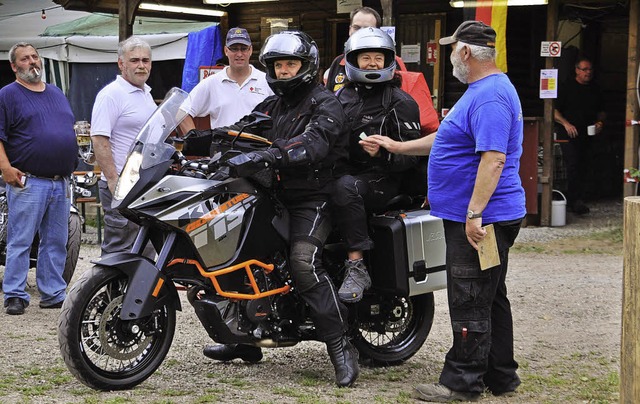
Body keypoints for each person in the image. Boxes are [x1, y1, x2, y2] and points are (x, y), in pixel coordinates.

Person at [366, 20, 526, 401]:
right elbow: (449, 138)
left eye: (453, 48)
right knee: (490, 294)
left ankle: (462, 382)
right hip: (484, 214)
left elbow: (494, 159)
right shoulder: (482, 91)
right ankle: (501, 376)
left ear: (466, 52)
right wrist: (398, 146)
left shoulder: (488, 97)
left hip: (482, 218)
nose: (452, 55)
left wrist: (474, 214)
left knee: (469, 295)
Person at [205, 30, 358, 388]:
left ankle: (341, 346)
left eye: (291, 64)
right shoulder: (273, 106)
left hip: (313, 197)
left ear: (306, 66)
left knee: (304, 264)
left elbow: (313, 144)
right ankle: (243, 339)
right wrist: (194, 141)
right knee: (236, 256)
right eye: (278, 65)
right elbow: (241, 130)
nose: (285, 71)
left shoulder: (326, 103)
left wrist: (267, 155)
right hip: (273, 194)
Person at [332, 27, 422, 303]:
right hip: (345, 174)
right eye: (365, 58)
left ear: (388, 61)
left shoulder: (402, 102)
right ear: (352, 60)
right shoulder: (340, 98)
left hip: (383, 179)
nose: (372, 63)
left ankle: (356, 265)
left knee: (345, 188)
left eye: (378, 58)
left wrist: (382, 154)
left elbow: (415, 155)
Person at [0, 42, 78, 315]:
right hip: (28, 181)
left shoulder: (56, 93)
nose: (33, 62)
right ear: (14, 66)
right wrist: (5, 168)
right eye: (25, 59)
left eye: (35, 56)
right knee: (20, 239)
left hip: (60, 180)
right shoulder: (7, 95)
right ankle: (15, 294)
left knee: (56, 240)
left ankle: (52, 292)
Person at [91, 36, 156, 255]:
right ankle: (109, 290)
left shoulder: (146, 93)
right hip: (121, 184)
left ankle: (137, 291)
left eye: (145, 60)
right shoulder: (111, 95)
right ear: (121, 64)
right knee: (119, 248)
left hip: (143, 185)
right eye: (135, 60)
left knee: (144, 248)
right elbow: (99, 139)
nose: (141, 65)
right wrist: (112, 180)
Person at [178, 27, 273, 136]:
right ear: (226, 51)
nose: (239, 54)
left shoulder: (266, 81)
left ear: (250, 50)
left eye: (243, 48)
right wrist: (196, 141)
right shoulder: (212, 83)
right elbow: (182, 113)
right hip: (222, 151)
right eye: (234, 49)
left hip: (257, 151)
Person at [553, 56, 605, 215]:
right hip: (567, 133)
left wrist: (600, 123)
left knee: (585, 165)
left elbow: (602, 111)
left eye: (590, 70)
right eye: (584, 69)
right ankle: (573, 200)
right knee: (572, 164)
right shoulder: (566, 87)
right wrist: (566, 124)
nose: (587, 73)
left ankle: (580, 197)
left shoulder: (595, 89)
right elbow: (553, 110)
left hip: (587, 134)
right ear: (576, 70)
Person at [325, 6, 382, 93]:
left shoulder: (391, 61)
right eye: (356, 28)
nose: (360, 32)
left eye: (367, 28)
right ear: (349, 30)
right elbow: (328, 98)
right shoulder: (338, 62)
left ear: (378, 31)